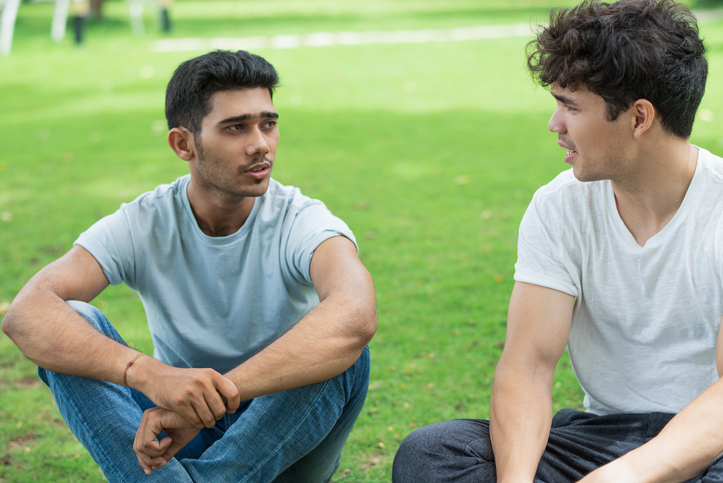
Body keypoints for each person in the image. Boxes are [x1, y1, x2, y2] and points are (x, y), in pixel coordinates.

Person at [1, 50, 377, 482]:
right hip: (171, 425)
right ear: (184, 144)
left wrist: (213, 401)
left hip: (282, 431)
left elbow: (355, 314)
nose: (260, 144)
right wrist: (147, 374)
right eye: (236, 127)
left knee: (340, 347)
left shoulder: (302, 219)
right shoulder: (145, 221)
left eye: (268, 124)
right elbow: (25, 313)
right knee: (70, 318)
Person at [392, 0, 723, 481]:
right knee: (434, 454)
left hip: (711, 443)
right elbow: (527, 365)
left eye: (570, 106)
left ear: (638, 118)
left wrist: (624, 476)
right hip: (603, 436)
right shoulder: (558, 205)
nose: (555, 125)